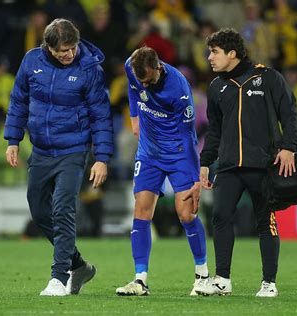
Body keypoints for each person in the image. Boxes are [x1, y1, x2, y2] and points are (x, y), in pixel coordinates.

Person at [4, 18, 113, 296]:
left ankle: (58, 276)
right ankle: (79, 265)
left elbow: (101, 115)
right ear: (48, 48)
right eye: (62, 50)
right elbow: (19, 100)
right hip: (40, 151)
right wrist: (13, 140)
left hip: (73, 151)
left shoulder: (90, 69)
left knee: (63, 208)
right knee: (39, 211)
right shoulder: (31, 62)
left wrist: (101, 157)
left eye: (72, 48)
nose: (68, 54)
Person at [195, 28, 297, 297]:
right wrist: (206, 161)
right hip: (229, 166)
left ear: (232, 53)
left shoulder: (267, 78)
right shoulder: (217, 86)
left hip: (263, 164)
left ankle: (269, 283)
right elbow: (214, 131)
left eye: (215, 52)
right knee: (220, 217)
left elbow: (289, 113)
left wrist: (289, 147)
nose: (210, 57)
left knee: (266, 221)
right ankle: (222, 279)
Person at [115, 47, 208, 297]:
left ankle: (202, 276)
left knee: (186, 213)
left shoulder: (179, 89)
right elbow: (133, 90)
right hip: (149, 152)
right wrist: (134, 117)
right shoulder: (131, 66)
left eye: (149, 80)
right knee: (141, 209)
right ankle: (140, 280)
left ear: (159, 67)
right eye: (141, 81)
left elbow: (188, 137)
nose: (145, 85)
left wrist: (195, 176)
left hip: (179, 152)